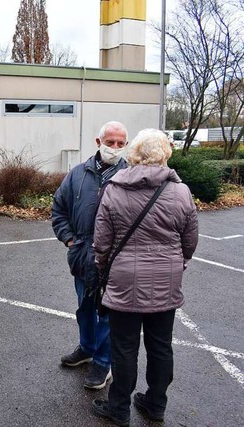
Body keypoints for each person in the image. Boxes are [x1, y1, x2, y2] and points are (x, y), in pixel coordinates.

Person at [91, 129, 198, 426]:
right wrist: (178, 263)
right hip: (167, 280)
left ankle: (119, 408)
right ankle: (156, 404)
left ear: (133, 154)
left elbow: (102, 242)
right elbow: (190, 241)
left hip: (124, 280)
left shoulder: (114, 188)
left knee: (124, 347)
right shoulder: (181, 192)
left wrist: (103, 267)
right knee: (161, 345)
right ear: (165, 154)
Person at [51, 121, 129, 389]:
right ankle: (87, 348)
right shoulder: (77, 174)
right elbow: (59, 208)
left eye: (121, 143)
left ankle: (103, 362)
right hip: (82, 256)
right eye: (110, 142)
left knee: (107, 313)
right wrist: (70, 240)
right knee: (84, 307)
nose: (115, 148)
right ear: (98, 142)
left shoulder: (129, 176)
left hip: (114, 262)